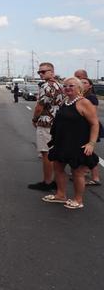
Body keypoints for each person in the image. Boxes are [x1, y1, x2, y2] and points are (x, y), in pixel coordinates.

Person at [41, 77, 100, 209]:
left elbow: (95, 124)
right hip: (62, 143)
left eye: (71, 86)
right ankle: (61, 195)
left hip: (78, 144)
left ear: (79, 88)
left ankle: (78, 200)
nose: (67, 88)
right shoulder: (65, 101)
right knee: (58, 168)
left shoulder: (84, 103)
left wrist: (91, 143)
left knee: (77, 172)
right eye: (65, 86)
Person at [29, 63, 63, 191]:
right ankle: (55, 180)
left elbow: (40, 106)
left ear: (52, 72)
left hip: (46, 122)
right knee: (54, 154)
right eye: (39, 72)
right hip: (57, 123)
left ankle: (47, 182)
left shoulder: (46, 86)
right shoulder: (59, 85)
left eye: (43, 72)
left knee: (46, 153)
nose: (41, 74)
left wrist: (34, 119)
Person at [75, 72, 101, 186]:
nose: (82, 84)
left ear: (90, 86)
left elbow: (92, 115)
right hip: (81, 128)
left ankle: (95, 177)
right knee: (85, 152)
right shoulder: (81, 96)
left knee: (89, 153)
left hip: (89, 128)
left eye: (85, 82)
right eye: (81, 82)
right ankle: (82, 172)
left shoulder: (91, 97)